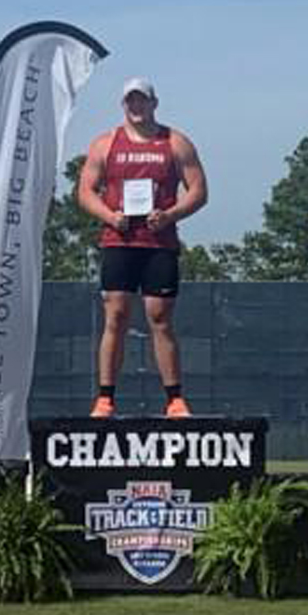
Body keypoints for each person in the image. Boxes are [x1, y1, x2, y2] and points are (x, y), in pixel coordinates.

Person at [78, 77, 208, 418]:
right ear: (123, 105)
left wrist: (170, 215)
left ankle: (174, 399)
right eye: (130, 101)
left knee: (160, 317)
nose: (136, 107)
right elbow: (85, 191)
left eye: (142, 101)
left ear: (154, 103)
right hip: (118, 240)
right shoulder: (105, 143)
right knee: (116, 316)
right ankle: (105, 397)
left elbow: (198, 190)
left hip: (158, 243)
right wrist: (109, 215)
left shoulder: (175, 142)